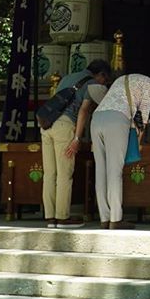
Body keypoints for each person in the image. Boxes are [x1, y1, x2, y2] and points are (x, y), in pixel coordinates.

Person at [40, 58, 112, 227]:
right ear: (101, 74)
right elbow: (83, 111)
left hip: (47, 124)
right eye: (105, 80)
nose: (103, 84)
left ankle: (50, 217)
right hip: (64, 126)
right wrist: (77, 138)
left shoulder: (67, 77)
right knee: (64, 174)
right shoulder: (92, 83)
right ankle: (62, 217)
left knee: (49, 174)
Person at [86, 71, 150, 229]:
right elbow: (143, 118)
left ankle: (104, 218)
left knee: (101, 170)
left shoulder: (121, 79)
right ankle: (115, 219)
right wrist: (137, 143)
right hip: (116, 120)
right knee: (115, 171)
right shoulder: (149, 83)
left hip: (97, 118)